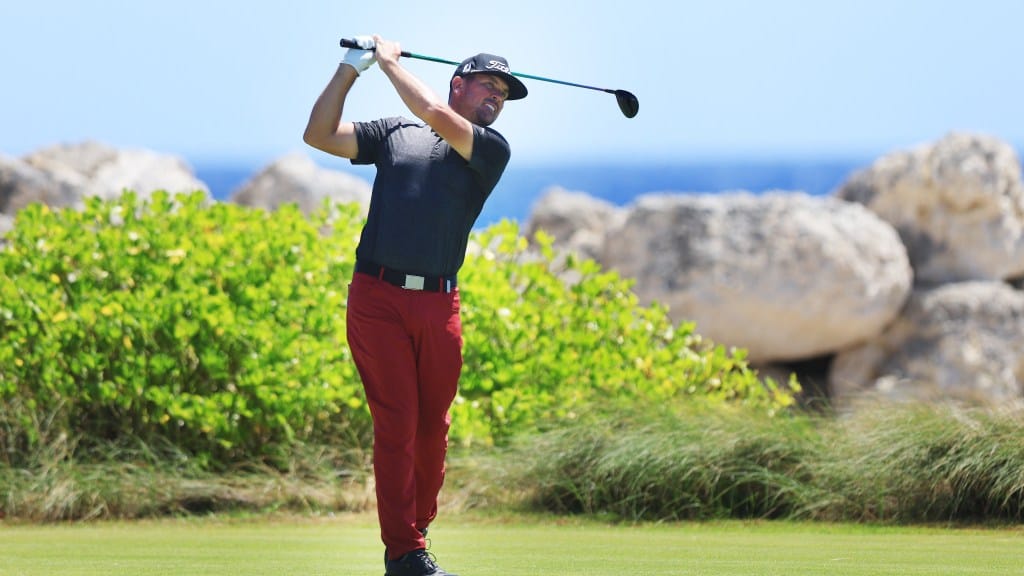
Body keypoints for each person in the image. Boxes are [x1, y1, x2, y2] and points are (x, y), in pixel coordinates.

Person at [303, 35, 527, 576]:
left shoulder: (489, 149)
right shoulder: (394, 133)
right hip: (377, 298)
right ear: (460, 83)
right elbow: (319, 134)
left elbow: (429, 109)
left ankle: (414, 535)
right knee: (397, 423)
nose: (495, 99)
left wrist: (388, 64)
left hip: (439, 304)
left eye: (503, 93)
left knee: (433, 432)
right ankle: (404, 551)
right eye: (488, 87)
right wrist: (348, 70)